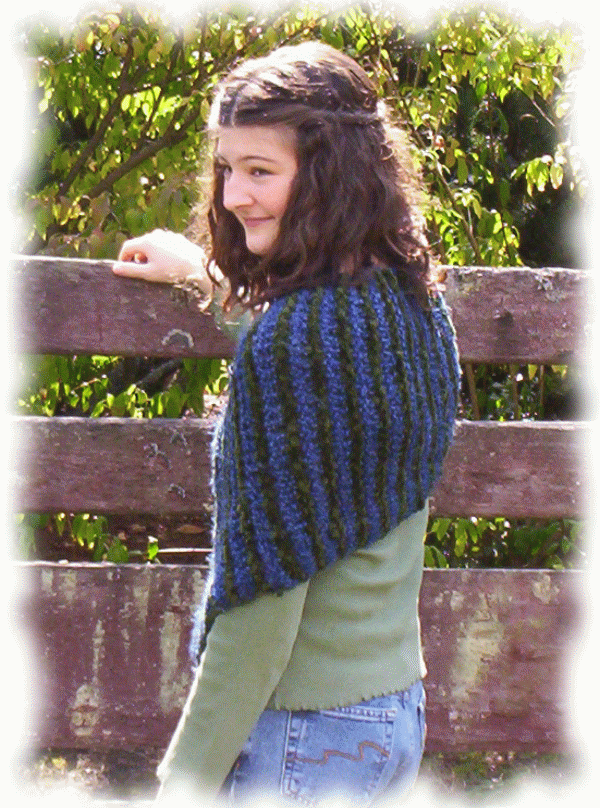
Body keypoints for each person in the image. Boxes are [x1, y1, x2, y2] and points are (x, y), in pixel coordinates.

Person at [113, 41, 460, 807]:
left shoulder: (297, 347)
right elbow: (316, 374)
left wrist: (184, 782)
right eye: (226, 168)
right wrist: (200, 273)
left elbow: (261, 611)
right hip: (390, 718)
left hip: (302, 738)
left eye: (260, 171)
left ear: (332, 174)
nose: (234, 194)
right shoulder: (410, 301)